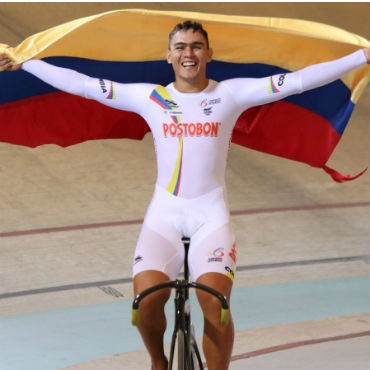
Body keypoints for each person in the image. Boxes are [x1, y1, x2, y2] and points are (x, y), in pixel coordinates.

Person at [1, 20, 369, 370]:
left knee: (215, 302)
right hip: (164, 218)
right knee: (145, 303)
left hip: (210, 218)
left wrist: (361, 57)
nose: (187, 53)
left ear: (209, 53)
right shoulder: (150, 98)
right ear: (168, 55)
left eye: (196, 46)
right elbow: (83, 84)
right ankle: (158, 361)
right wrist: (28, 63)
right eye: (180, 47)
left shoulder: (230, 93)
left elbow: (298, 81)